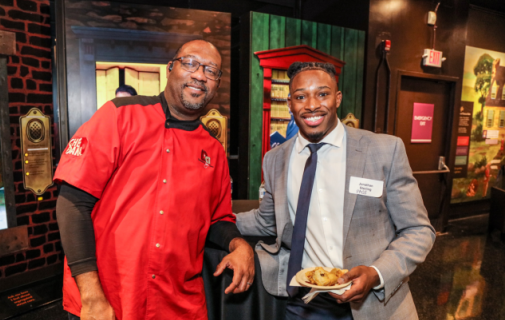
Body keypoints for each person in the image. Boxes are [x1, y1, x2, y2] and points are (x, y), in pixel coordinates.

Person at [54, 40, 255, 320]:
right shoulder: (119, 116)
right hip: (109, 302)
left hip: (177, 305)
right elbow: (72, 204)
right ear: (170, 68)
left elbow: (216, 220)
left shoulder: (214, 151)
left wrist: (239, 244)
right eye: (190, 63)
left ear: (217, 84)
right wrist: (91, 296)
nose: (199, 75)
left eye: (211, 70)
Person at [235, 62, 435, 320]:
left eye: (322, 93)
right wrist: (212, 217)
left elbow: (418, 230)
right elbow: (266, 222)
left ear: (337, 98)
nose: (311, 105)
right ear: (290, 104)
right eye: (300, 96)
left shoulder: (384, 150)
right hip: (306, 304)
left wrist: (376, 273)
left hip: (375, 305)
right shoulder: (275, 160)